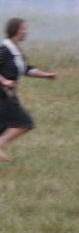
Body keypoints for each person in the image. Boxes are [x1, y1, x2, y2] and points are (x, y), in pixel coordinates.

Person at [0, 17, 58, 162]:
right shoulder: (5, 49)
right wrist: (4, 80)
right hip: (3, 94)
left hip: (8, 95)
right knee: (24, 123)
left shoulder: (15, 50)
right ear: (15, 31)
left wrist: (46, 75)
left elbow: (25, 69)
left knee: (5, 126)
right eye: (23, 29)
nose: (26, 32)